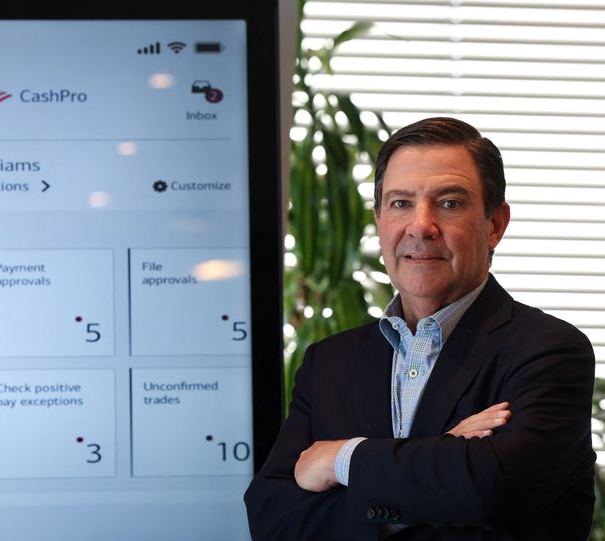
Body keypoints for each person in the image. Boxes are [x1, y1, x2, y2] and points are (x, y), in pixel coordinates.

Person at [244, 117, 596, 540]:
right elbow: (272, 517)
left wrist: (342, 459)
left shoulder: (548, 351)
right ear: (378, 220)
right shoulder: (328, 363)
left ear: (495, 225)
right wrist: (441, 464)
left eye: (449, 203)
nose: (420, 226)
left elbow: (490, 490)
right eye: (400, 203)